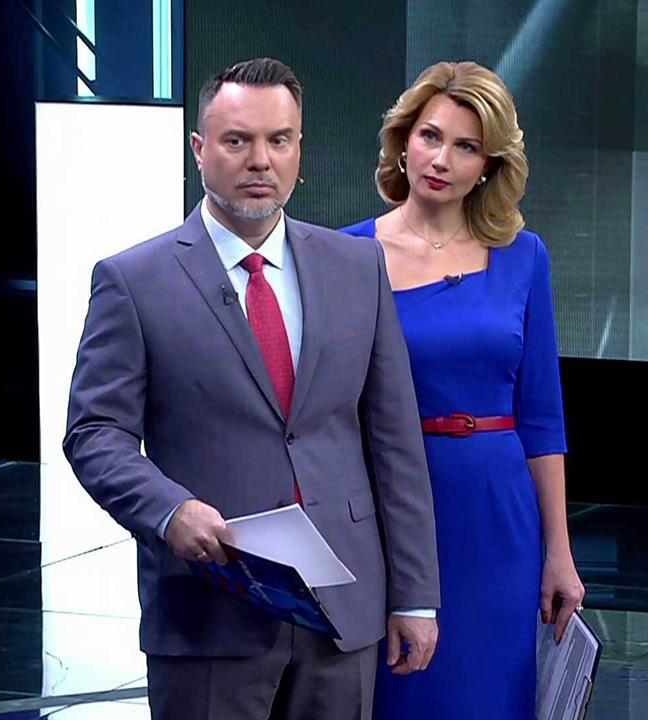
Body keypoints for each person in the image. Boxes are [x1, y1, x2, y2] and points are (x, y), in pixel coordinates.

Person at [64, 57, 441, 720]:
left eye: (279, 140)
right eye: (237, 140)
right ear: (199, 149)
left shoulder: (358, 268)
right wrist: (170, 511)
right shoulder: (133, 281)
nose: (260, 160)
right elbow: (95, 434)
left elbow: (395, 443)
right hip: (208, 609)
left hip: (342, 607)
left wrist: (415, 595)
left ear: (300, 150)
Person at [339, 60, 585, 719]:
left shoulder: (524, 256)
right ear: (403, 141)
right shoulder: (345, 255)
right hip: (390, 507)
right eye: (430, 136)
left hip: (497, 517)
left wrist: (559, 552)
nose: (442, 159)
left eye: (466, 146)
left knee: (487, 695)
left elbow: (541, 417)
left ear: (489, 165)